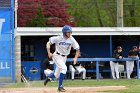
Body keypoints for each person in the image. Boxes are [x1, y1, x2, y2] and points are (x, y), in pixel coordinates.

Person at [45, 25, 80, 92]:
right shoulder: (58, 38)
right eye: (68, 32)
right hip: (57, 56)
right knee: (64, 68)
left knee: (56, 75)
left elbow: (77, 49)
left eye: (70, 32)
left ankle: (48, 77)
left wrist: (75, 58)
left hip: (64, 57)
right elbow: (48, 43)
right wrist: (49, 52)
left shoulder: (72, 39)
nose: (70, 33)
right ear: (64, 32)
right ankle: (60, 87)